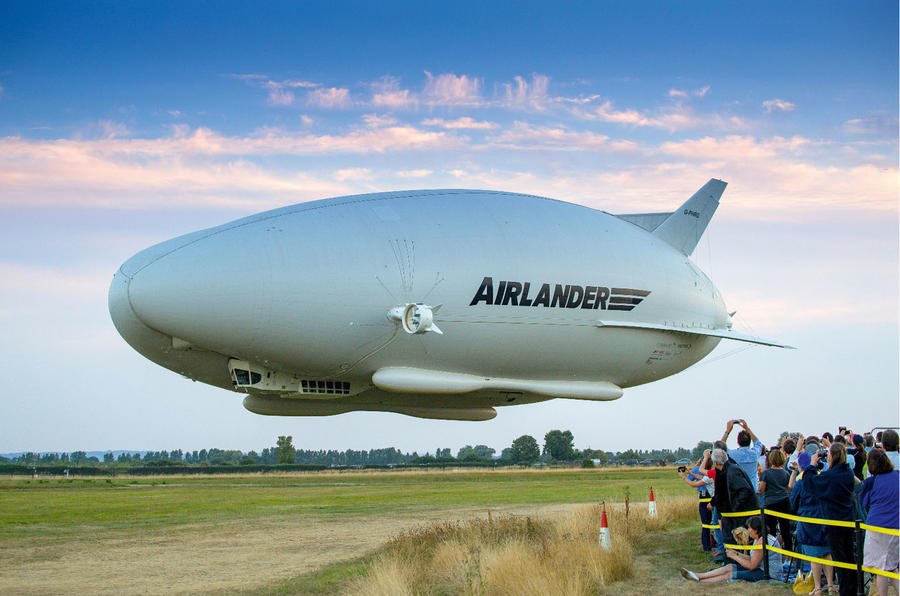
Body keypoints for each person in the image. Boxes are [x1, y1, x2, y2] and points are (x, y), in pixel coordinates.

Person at [803, 443, 858, 596]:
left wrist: (812, 465)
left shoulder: (831, 476)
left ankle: (846, 592)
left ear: (831, 457)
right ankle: (852, 589)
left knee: (841, 559)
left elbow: (809, 483)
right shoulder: (847, 472)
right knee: (849, 558)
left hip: (835, 522)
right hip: (848, 520)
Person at [679, 516, 783, 583]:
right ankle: (698, 576)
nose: (748, 530)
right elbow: (752, 558)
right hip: (761, 569)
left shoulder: (762, 541)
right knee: (729, 567)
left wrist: (734, 557)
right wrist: (736, 554)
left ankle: (699, 581)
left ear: (756, 529)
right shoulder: (759, 539)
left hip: (768, 573)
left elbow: (752, 565)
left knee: (729, 574)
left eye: (750, 528)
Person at [790, 459, 836, 595]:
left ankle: (817, 587)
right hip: (824, 519)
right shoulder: (823, 481)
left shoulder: (800, 484)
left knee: (815, 556)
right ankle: (831, 585)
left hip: (808, 522)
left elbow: (792, 505)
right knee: (827, 554)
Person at [858, 448, 899, 596]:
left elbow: (863, 503)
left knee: (879, 567)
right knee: (891, 566)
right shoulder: (897, 476)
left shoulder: (870, 482)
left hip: (877, 528)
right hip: (896, 527)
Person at [709, 448, 759, 547]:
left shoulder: (732, 471)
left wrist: (735, 507)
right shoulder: (728, 469)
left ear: (715, 462)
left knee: (744, 540)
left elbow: (745, 490)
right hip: (741, 512)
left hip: (745, 513)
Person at [759, 448, 792, 555]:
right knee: (785, 529)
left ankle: (772, 552)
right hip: (784, 502)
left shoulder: (766, 473)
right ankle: (789, 554)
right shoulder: (785, 473)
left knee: (770, 530)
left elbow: (761, 490)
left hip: (770, 503)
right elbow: (788, 488)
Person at [680, 450, 715, 552]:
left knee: (706, 523)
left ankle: (707, 545)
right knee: (715, 523)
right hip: (712, 498)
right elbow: (702, 477)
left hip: (706, 498)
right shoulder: (715, 473)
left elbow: (695, 482)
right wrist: (690, 472)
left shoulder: (707, 474)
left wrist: (683, 477)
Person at [721, 419, 763, 491]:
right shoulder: (754, 453)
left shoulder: (733, 454)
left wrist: (728, 430)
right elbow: (758, 443)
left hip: (738, 490)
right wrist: (747, 429)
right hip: (752, 490)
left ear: (738, 442)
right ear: (749, 441)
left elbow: (720, 446)